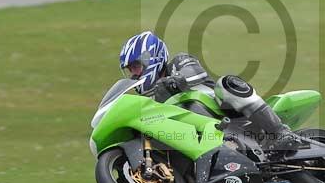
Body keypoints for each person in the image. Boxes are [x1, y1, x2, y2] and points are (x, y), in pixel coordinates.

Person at [118, 31, 306, 155]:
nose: (134, 74)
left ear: (151, 57)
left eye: (136, 66)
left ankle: (279, 131)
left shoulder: (178, 62)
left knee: (225, 83)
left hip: (231, 117)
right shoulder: (147, 99)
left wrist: (176, 81)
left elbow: (194, 73)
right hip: (204, 140)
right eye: (130, 70)